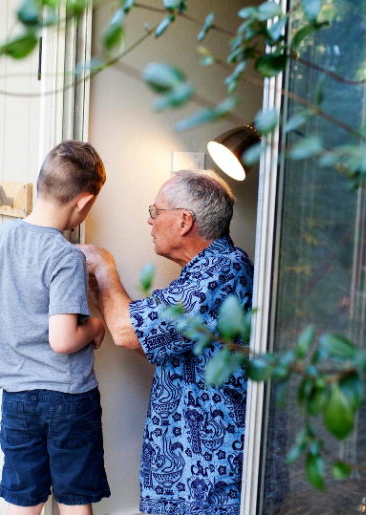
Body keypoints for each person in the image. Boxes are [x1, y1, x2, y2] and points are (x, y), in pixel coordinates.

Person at [79, 170, 253, 515]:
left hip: (206, 477)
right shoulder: (206, 270)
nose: (149, 220)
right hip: (187, 469)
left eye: (156, 212)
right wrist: (101, 296)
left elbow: (129, 333)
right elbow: (154, 340)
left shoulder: (219, 272)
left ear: (184, 221)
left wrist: (104, 266)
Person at [0, 140, 111, 515]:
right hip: (67, 398)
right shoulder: (65, 255)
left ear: (40, 185)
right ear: (83, 203)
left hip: (17, 397)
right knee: (74, 497)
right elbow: (62, 340)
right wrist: (95, 326)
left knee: (23, 497)